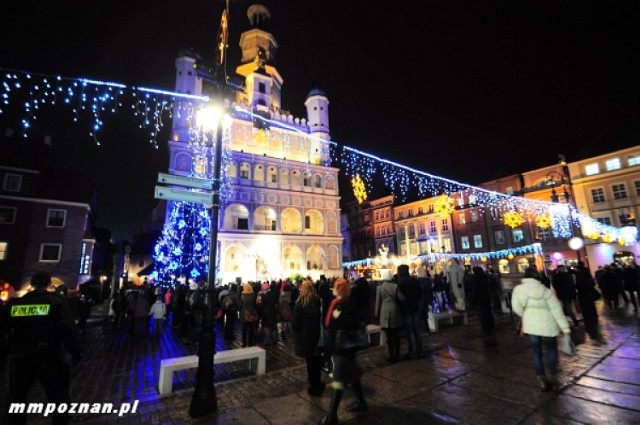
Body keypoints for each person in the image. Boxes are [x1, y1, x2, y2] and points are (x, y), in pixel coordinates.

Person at [1, 271, 82, 425]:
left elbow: (4, 328)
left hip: (21, 357)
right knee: (57, 397)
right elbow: (68, 329)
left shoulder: (16, 304)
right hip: (49, 356)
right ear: (48, 284)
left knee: (17, 397)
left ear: (31, 284)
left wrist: (6, 350)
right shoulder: (56, 302)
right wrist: (75, 351)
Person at [512, 266, 571, 391]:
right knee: (551, 349)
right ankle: (551, 373)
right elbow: (557, 311)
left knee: (536, 352)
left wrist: (525, 313)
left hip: (531, 324)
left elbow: (516, 308)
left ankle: (541, 376)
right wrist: (565, 328)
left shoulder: (518, 290)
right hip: (548, 324)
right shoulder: (546, 291)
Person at [321, 277, 367, 425]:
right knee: (353, 374)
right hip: (349, 348)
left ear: (338, 290)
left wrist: (327, 352)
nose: (333, 289)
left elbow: (333, 330)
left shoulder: (340, 307)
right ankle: (361, 401)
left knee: (338, 381)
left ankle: (331, 416)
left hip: (340, 349)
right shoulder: (349, 303)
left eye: (335, 287)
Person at [292, 279, 325, 397]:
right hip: (318, 336)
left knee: (310, 363)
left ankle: (314, 386)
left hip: (306, 338)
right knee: (317, 361)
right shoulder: (319, 301)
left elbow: (295, 323)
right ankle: (318, 382)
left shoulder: (300, 303)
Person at [375, 268, 404, 363]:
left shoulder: (379, 288)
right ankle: (397, 353)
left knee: (389, 335)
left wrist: (376, 313)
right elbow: (401, 298)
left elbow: (378, 302)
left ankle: (391, 355)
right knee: (396, 335)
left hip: (384, 312)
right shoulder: (395, 286)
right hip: (395, 311)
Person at [397, 264, 425, 359]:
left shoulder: (400, 282)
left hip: (406, 309)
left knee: (410, 332)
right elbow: (420, 294)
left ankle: (413, 352)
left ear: (400, 272)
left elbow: (399, 297)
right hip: (415, 308)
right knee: (417, 330)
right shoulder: (415, 280)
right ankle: (420, 351)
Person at [574, 261, 605, 343]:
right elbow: (591, 282)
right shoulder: (587, 272)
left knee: (585, 308)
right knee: (591, 306)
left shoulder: (578, 274)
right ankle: (594, 318)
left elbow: (578, 285)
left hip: (583, 294)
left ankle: (589, 321)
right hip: (589, 293)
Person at [468, 266, 495, 337]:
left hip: (479, 300)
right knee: (488, 313)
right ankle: (491, 326)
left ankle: (485, 329)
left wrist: (472, 300)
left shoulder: (474, 278)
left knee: (482, 315)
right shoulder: (485, 277)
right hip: (486, 298)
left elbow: (474, 290)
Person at [240, 283, 258, 347]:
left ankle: (244, 343)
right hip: (251, 311)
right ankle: (250, 342)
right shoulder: (253, 294)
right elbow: (255, 303)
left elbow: (240, 304)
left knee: (244, 328)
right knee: (251, 328)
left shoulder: (242, 295)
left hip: (244, 312)